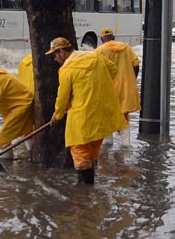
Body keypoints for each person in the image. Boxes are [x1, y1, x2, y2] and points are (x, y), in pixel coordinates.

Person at [47, 37, 127, 184]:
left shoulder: (66, 69)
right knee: (93, 153)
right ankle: (93, 195)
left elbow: (62, 98)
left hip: (82, 119)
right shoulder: (95, 56)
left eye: (54, 55)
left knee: (80, 154)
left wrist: (57, 115)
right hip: (102, 116)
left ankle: (85, 195)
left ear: (62, 52)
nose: (54, 59)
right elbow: (113, 70)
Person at [93, 27, 140, 146]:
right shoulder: (126, 47)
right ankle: (126, 144)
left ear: (102, 39)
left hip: (108, 89)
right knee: (124, 114)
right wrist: (132, 79)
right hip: (126, 87)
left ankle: (108, 142)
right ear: (113, 37)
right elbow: (136, 64)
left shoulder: (99, 51)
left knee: (106, 114)